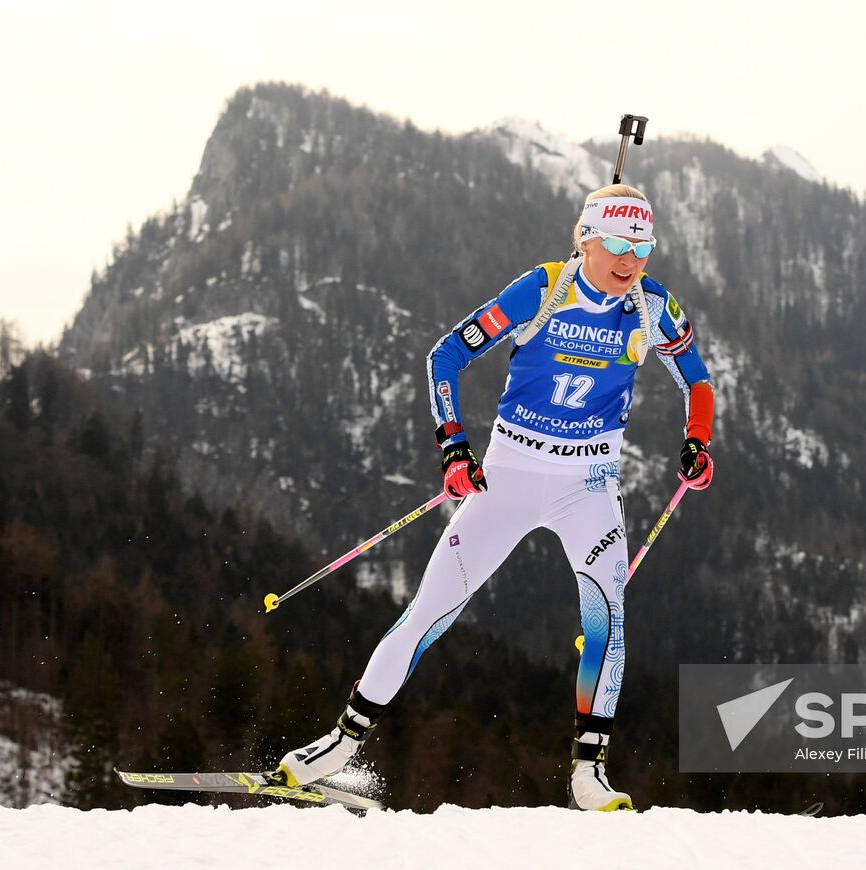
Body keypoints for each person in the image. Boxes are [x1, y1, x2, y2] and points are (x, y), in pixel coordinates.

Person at [276, 184, 714, 811]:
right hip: (508, 479)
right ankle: (338, 749)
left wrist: (696, 443)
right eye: (616, 243)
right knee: (430, 610)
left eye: (642, 246)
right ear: (585, 238)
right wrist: (454, 447)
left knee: (607, 619)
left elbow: (697, 381)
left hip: (589, 487)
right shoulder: (543, 289)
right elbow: (445, 356)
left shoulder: (654, 308)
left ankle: (588, 774)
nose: (629, 260)